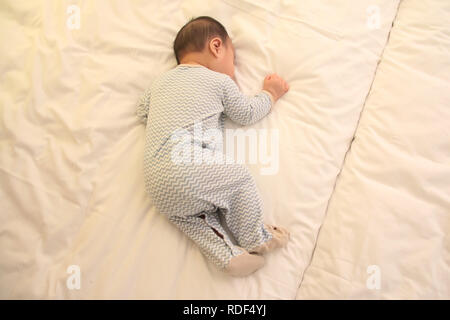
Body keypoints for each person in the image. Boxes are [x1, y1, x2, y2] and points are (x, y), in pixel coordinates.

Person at [136, 16, 290, 276]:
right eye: (234, 60)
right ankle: (255, 237)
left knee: (193, 219)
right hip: (187, 164)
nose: (234, 68)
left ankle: (229, 256)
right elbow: (247, 113)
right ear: (216, 47)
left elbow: (142, 112)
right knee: (238, 180)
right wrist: (270, 93)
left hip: (157, 183)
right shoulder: (219, 81)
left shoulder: (158, 84)